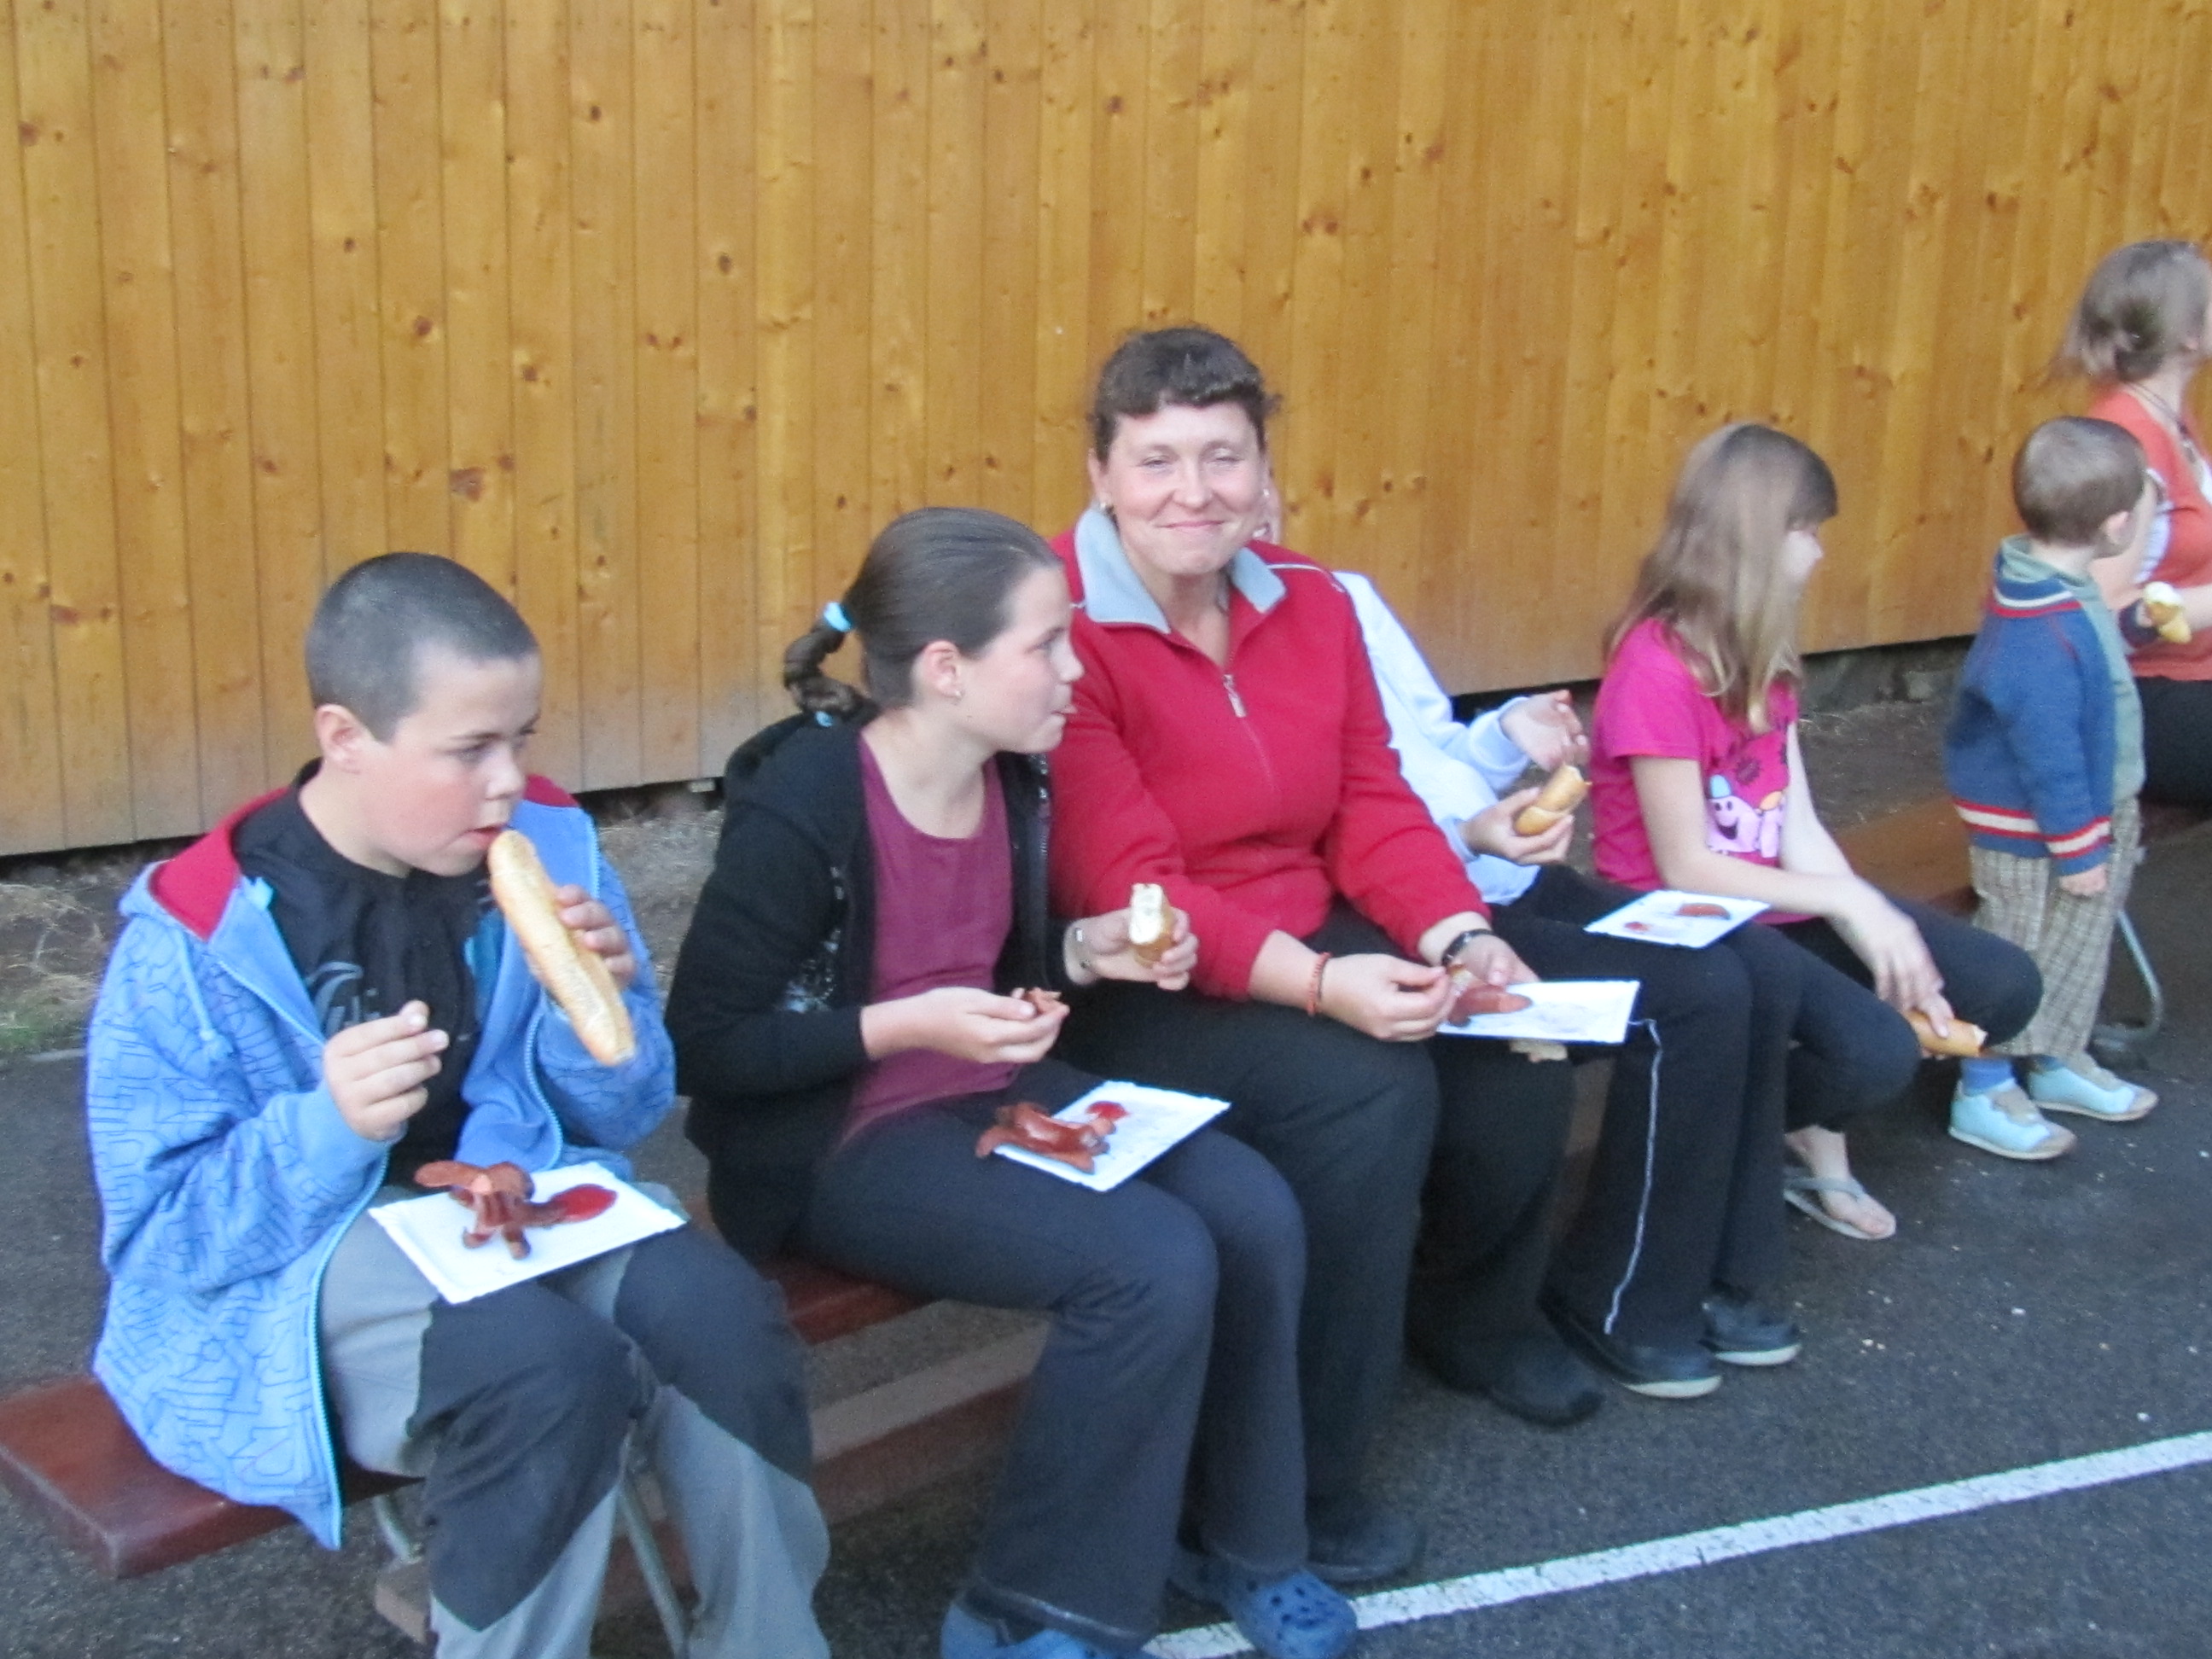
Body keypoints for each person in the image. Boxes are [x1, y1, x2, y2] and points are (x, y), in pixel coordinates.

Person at [84, 554, 829, 1659]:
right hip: (309, 1264)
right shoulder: (197, 933)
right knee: (544, 1375)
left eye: (522, 738)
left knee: (720, 1317)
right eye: (468, 749)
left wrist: (595, 1014)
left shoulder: (551, 847)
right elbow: (159, 1240)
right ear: (346, 737)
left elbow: (625, 1110)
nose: (506, 782)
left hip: (513, 1197)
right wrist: (324, 1127)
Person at [666, 508, 1352, 1659]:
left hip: (984, 1086)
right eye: (1046, 645)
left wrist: (1084, 953)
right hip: (837, 1140)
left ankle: (1245, 1543)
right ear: (947, 669)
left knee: (1249, 1203)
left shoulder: (1014, 775)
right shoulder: (808, 801)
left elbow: (991, 968)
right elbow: (707, 1045)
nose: (1074, 668)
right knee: (1148, 1263)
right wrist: (903, 1025)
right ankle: (1023, 1608)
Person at [1043, 326, 1595, 1585]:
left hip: (1302, 918)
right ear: (1101, 476)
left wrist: (1461, 932)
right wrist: (1327, 986)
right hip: (1142, 974)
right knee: (1368, 1095)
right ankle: (1288, 1475)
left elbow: (1369, 801)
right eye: (1157, 460)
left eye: (1223, 456)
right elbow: (1131, 892)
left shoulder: (1311, 598)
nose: (1195, 491)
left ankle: (1469, 1322)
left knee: (1509, 1043)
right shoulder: (1065, 628)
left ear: (1264, 467)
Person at [1340, 571, 1802, 1398]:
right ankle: (1619, 1300)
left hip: (1508, 876)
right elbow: (1346, 818)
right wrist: (1466, 835)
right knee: (1687, 999)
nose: (1255, 516)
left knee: (1755, 968)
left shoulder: (1342, 594)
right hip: (1429, 905)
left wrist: (1506, 730)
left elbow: (1438, 748)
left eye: (1264, 500)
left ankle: (1706, 1275)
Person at [1589, 424, 2043, 1240]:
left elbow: (1794, 823)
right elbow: (1688, 866)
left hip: (1772, 903)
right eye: (1809, 531)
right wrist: (1850, 902)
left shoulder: (1761, 650)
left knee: (2001, 986)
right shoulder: (1656, 668)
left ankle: (1795, 1123)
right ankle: (1772, 1129)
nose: (1821, 552)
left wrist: (1875, 924)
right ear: (1760, 536)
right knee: (1875, 1053)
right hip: (1688, 921)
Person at [1942, 417, 2161, 1152]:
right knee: (2015, 950)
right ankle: (1983, 1086)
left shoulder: (2057, 587)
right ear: (2117, 525)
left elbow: (2091, 660)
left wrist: (2140, 629)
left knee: (2075, 942)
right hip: (2040, 825)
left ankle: (2055, 1057)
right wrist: (2078, 846)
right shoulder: (2038, 627)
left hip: (2086, 810)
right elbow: (2049, 750)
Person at [2057, 240, 2212, 806]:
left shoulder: (2171, 417)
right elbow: (2102, 614)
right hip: (2139, 701)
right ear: (2187, 334)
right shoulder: (2129, 442)